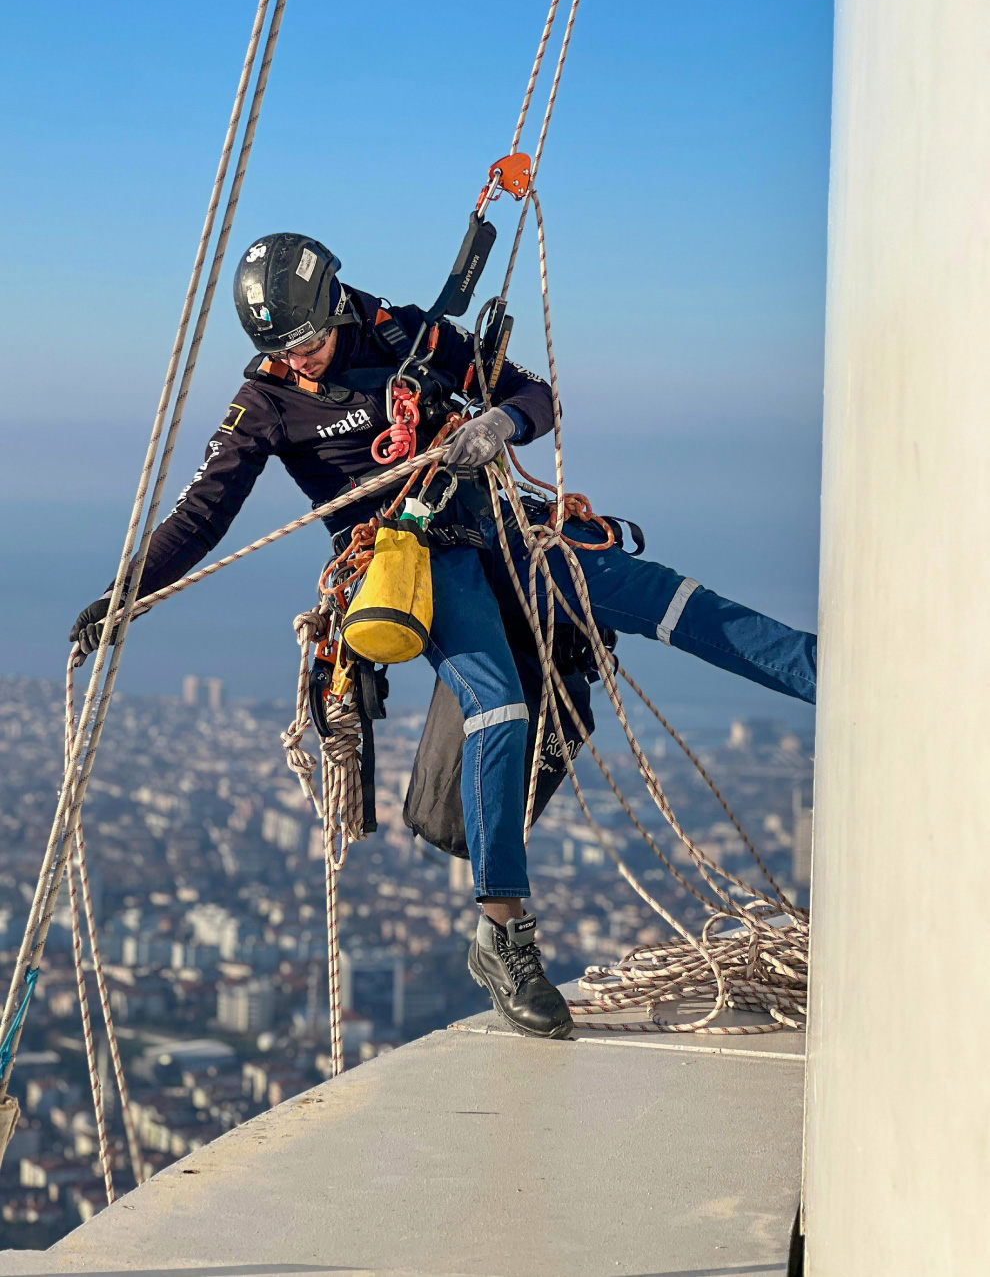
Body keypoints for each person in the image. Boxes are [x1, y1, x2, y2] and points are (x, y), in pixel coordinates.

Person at [70, 233, 817, 1041]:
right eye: (284, 352)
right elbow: (203, 511)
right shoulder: (265, 405)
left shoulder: (401, 334)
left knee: (662, 600)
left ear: (336, 306)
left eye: (311, 341)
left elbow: (535, 393)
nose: (305, 362)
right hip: (411, 558)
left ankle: (827, 674)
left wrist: (497, 420)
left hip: (498, 518)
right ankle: (502, 933)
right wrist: (128, 593)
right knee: (496, 708)